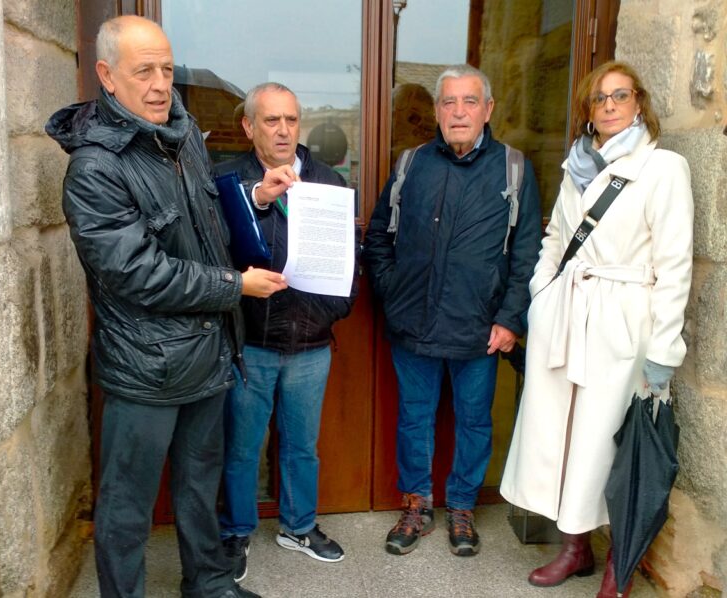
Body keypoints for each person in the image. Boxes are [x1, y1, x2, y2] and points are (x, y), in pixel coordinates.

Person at [45, 16, 287, 598]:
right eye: (143, 71)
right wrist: (235, 287)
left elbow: (204, 222)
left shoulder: (183, 135)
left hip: (206, 353)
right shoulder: (95, 167)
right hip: (146, 366)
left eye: (167, 69)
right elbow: (136, 272)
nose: (160, 85)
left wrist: (254, 198)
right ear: (107, 76)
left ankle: (209, 584)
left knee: (200, 487)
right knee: (126, 503)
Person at [500, 61, 694, 598]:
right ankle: (575, 547)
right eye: (599, 98)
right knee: (560, 437)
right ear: (588, 109)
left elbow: (675, 264)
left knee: (605, 442)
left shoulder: (663, 168)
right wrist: (542, 295)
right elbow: (556, 239)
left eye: (619, 95)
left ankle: (618, 563)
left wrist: (664, 348)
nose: (609, 106)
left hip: (623, 321)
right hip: (566, 314)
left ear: (639, 103)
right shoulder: (578, 165)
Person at [363, 64, 542, 557]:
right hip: (413, 323)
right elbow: (378, 238)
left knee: (474, 423)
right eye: (449, 102)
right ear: (438, 112)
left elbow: (527, 254)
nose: (459, 112)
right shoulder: (411, 164)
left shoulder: (513, 168)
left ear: (488, 110)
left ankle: (462, 507)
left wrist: (509, 319)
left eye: (469, 102)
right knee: (413, 419)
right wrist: (393, 293)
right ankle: (416, 505)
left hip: (479, 328)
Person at [214, 83, 356, 581]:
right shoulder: (227, 181)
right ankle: (235, 532)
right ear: (249, 126)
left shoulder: (327, 181)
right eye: (271, 120)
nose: (283, 130)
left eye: (291, 120)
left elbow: (347, 259)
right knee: (241, 448)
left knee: (301, 446)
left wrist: (332, 311)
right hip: (250, 343)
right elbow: (212, 250)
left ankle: (298, 527)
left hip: (310, 343)